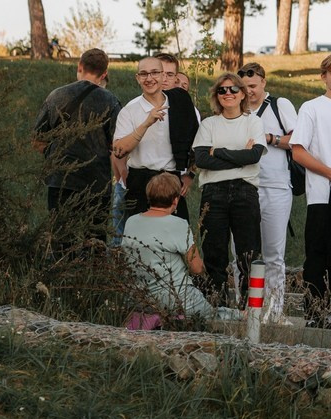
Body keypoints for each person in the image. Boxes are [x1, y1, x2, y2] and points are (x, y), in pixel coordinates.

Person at [290, 53, 331, 328]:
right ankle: (314, 315)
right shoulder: (311, 107)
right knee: (318, 256)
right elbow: (298, 152)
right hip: (322, 192)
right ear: (324, 77)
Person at [192, 72, 265, 306]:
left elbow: (254, 155)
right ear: (217, 95)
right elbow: (202, 160)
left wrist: (219, 151)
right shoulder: (208, 124)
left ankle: (249, 309)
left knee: (248, 252)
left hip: (245, 191)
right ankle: (217, 305)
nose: (228, 94)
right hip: (213, 192)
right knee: (214, 251)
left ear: (242, 93)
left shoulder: (252, 121)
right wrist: (239, 156)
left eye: (233, 89)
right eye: (222, 90)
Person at [33, 48, 120, 243]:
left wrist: (53, 155)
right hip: (97, 180)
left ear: (79, 66)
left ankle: (62, 272)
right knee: (95, 239)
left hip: (61, 178)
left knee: (61, 237)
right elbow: (117, 145)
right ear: (104, 73)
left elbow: (37, 138)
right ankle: (94, 273)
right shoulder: (111, 100)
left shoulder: (56, 96)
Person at [239, 62, 297, 322]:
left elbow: (297, 141)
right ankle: (246, 309)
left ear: (263, 82)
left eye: (253, 86)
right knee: (242, 253)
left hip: (275, 185)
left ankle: (274, 311)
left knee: (274, 253)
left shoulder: (279, 105)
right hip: (243, 186)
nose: (249, 91)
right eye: (244, 87)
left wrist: (270, 138)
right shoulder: (236, 109)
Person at [120, 172, 213, 319]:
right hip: (175, 300)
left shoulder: (131, 221)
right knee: (218, 314)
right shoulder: (178, 224)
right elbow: (196, 268)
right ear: (175, 201)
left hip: (136, 299)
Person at [114, 57, 190, 218]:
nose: (149, 78)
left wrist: (190, 174)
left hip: (171, 180)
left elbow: (195, 140)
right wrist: (146, 123)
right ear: (137, 78)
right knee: (138, 240)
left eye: (154, 73)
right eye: (143, 74)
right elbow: (119, 150)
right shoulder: (130, 110)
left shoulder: (179, 103)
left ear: (163, 76)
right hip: (140, 183)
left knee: (176, 238)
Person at [155, 52, 200, 202]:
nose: (164, 78)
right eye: (160, 73)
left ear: (175, 78)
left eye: (169, 74)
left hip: (173, 175)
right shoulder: (135, 105)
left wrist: (190, 175)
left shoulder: (187, 108)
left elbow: (197, 142)